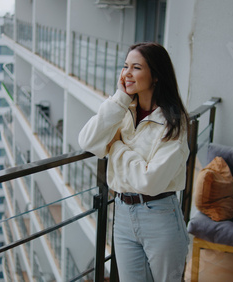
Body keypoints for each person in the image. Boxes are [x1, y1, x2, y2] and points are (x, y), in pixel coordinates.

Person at [78, 42, 190, 281]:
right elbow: (87, 141)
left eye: (136, 67)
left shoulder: (173, 122)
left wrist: (116, 146)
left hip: (159, 214)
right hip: (122, 213)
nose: (126, 73)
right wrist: (120, 98)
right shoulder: (122, 109)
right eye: (125, 66)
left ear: (156, 76)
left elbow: (150, 181)